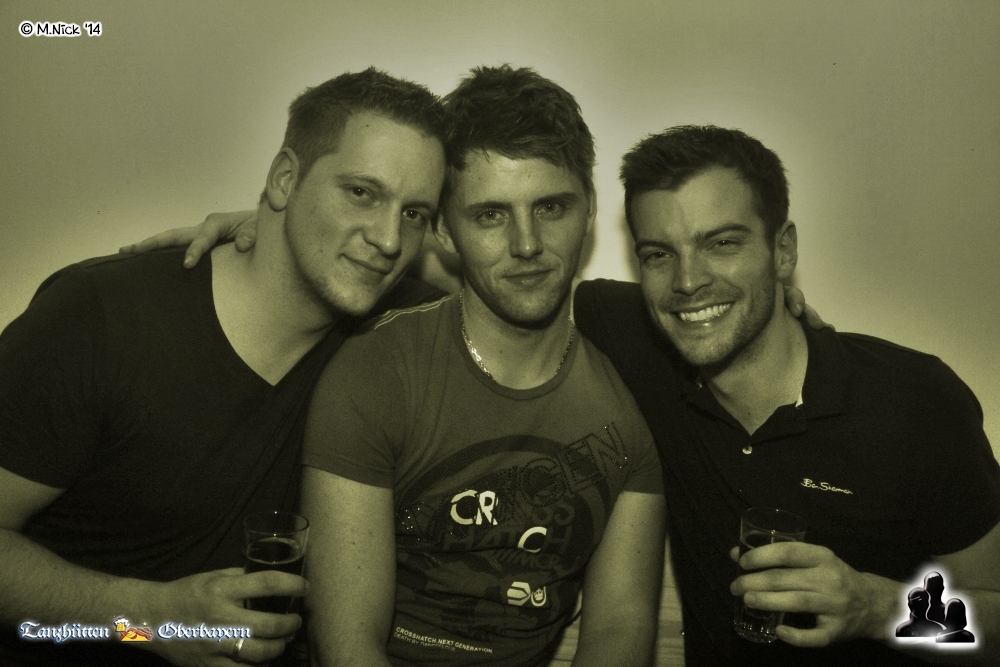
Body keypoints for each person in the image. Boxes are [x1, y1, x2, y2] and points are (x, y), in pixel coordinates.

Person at [0, 68, 448, 667]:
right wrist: (146, 620)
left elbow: (515, 280)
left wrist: (277, 220)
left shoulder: (388, 330)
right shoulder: (100, 317)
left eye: (414, 213)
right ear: (285, 178)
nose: (389, 239)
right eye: (361, 193)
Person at [572, 125, 1000, 665]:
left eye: (722, 244)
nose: (688, 281)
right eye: (659, 254)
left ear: (782, 250)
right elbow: (511, 285)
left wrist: (881, 609)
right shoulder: (638, 346)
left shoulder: (916, 402)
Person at [299, 65, 665, 667]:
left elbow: (619, 630)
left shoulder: (628, 402)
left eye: (551, 207)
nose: (527, 245)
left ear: (590, 210)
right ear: (444, 230)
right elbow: (346, 646)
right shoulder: (378, 371)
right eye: (491, 215)